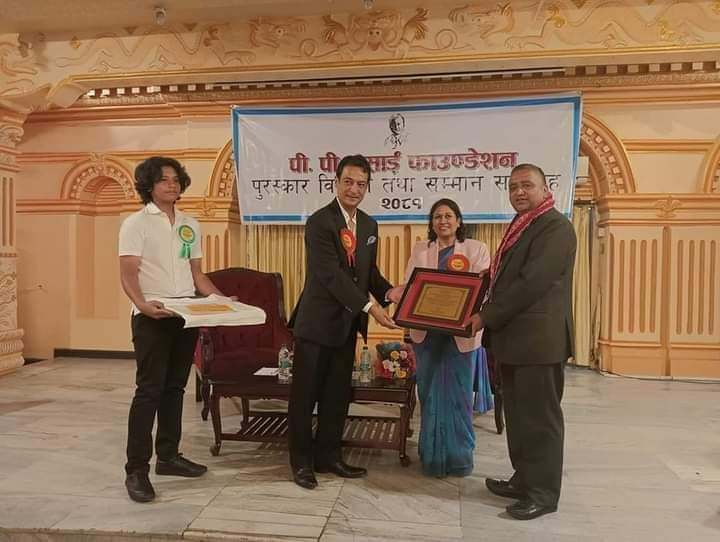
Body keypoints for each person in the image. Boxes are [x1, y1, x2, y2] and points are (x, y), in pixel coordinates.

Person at [469, 163, 576, 520]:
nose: (519, 192)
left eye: (527, 185)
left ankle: (543, 494)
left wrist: (484, 316)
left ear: (546, 189)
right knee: (518, 417)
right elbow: (507, 277)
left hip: (538, 343)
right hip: (515, 341)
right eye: (513, 186)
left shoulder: (556, 228)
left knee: (540, 420)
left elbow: (531, 282)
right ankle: (524, 479)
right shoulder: (524, 226)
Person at [287, 154, 400, 490]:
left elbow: (367, 273)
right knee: (305, 397)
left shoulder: (369, 225)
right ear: (335, 182)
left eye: (361, 184)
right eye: (348, 182)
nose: (354, 189)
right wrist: (371, 307)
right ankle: (301, 463)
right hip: (316, 324)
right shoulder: (319, 222)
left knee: (337, 396)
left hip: (347, 325)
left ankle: (329, 457)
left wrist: (390, 291)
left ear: (367, 187)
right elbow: (331, 275)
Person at [119, 156, 226, 503]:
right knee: (149, 390)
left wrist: (222, 299)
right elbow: (128, 272)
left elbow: (198, 275)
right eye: (164, 179)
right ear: (149, 185)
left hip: (185, 314)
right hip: (151, 315)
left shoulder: (190, 224)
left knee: (175, 388)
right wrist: (142, 304)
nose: (172, 184)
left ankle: (168, 457)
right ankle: (136, 470)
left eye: (176, 179)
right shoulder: (136, 223)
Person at [391, 198, 490, 477]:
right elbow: (411, 286)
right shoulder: (421, 250)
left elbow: (483, 289)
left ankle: (459, 460)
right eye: (437, 217)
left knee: (459, 396)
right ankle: (432, 458)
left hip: (460, 336)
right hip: (427, 335)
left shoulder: (476, 249)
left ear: (458, 221)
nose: (443, 221)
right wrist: (396, 294)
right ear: (431, 223)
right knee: (430, 395)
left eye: (448, 216)